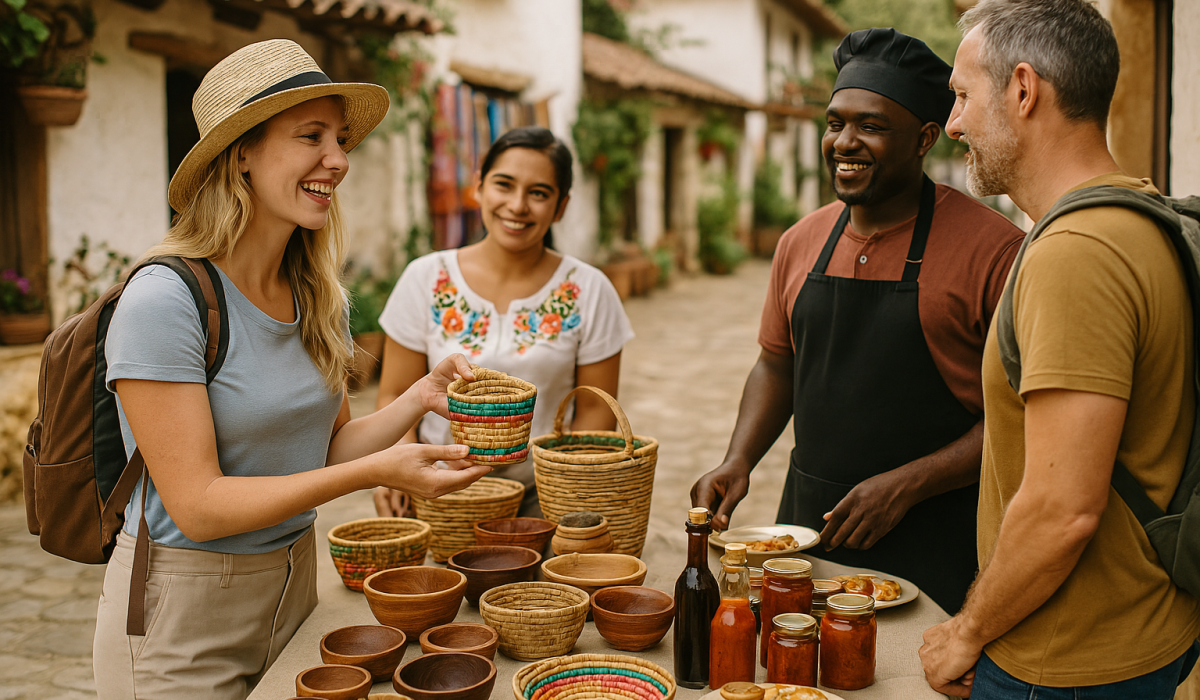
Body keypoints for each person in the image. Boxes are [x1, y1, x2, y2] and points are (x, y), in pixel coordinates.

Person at [92, 40, 492, 700]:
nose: (337, 160)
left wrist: (418, 399)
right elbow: (198, 506)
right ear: (241, 151)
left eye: (340, 139)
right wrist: (372, 475)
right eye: (312, 136)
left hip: (293, 593)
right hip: (178, 618)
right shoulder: (165, 301)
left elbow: (326, 446)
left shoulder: (316, 293)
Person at [690, 28, 1024, 613]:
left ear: (924, 138)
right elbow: (776, 363)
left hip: (942, 532)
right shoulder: (801, 241)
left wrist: (910, 483)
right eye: (834, 122)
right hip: (809, 531)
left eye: (870, 126)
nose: (845, 142)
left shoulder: (994, 251)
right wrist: (739, 459)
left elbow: (1018, 415)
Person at [919, 1, 1200, 697]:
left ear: (1022, 89)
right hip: (1144, 630)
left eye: (961, 95)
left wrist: (966, 633)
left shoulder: (1075, 253)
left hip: (1069, 663)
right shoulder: (1140, 214)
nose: (952, 123)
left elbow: (1061, 508)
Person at [372, 126, 635, 518]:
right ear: (478, 187)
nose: (517, 205)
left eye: (539, 193)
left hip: (543, 498)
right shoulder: (425, 278)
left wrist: (565, 494)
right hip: (434, 490)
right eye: (504, 185)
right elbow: (395, 394)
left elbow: (594, 415)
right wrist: (396, 470)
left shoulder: (589, 289)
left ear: (561, 207)